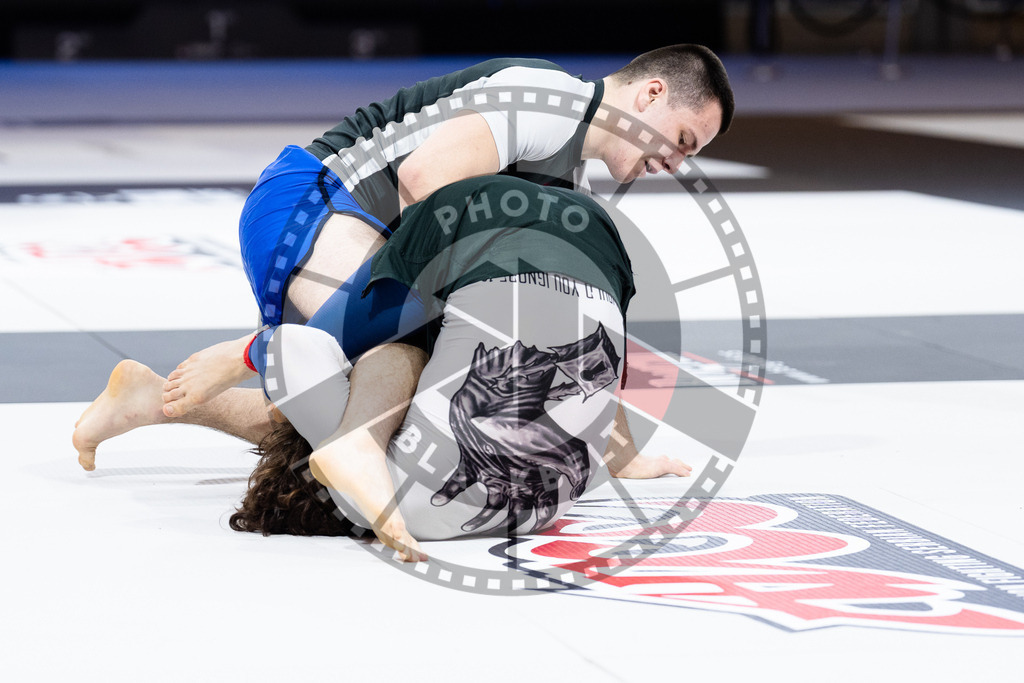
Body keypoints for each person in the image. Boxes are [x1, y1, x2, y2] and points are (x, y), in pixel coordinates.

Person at [72, 45, 731, 522]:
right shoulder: (550, 99)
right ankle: (244, 353)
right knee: (420, 348)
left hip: (348, 224)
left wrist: (615, 449)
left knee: (368, 409)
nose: (675, 162)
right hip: (316, 200)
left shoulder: (566, 171)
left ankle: (152, 399)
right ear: (648, 94)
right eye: (681, 138)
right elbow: (425, 181)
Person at [221, 174, 693, 561]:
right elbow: (303, 345)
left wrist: (621, 457)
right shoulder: (591, 215)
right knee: (387, 348)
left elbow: (609, 365)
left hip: (551, 498)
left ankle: (349, 435)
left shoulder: (562, 486)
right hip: (522, 219)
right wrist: (254, 359)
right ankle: (354, 440)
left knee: (408, 347)